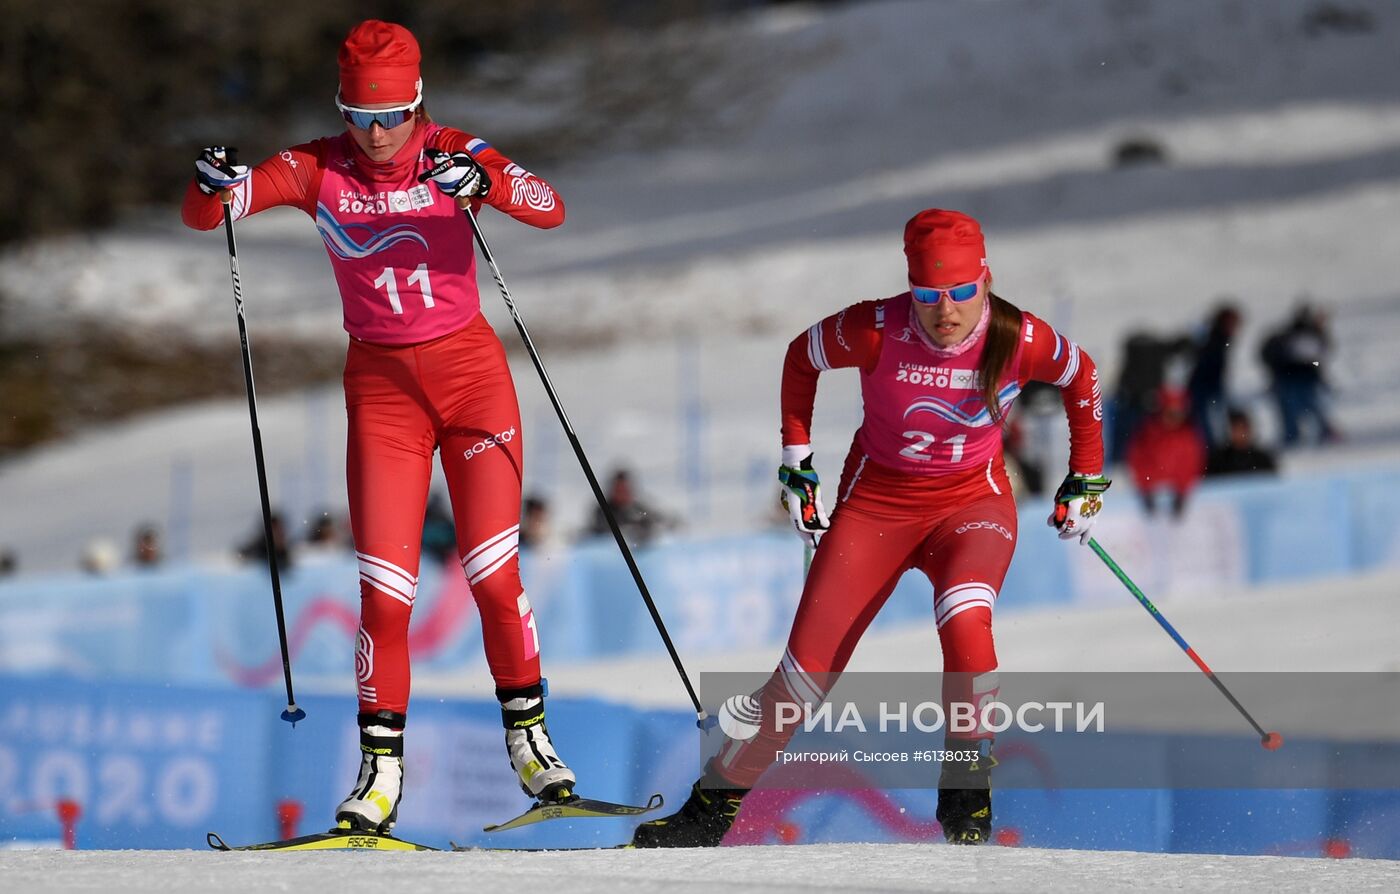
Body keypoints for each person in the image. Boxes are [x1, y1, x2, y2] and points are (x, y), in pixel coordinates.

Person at [182, 20, 575, 835]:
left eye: (394, 114)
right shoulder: (316, 167)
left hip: (473, 388)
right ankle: (380, 773)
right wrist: (209, 183)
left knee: (494, 577)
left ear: (419, 102)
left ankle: (531, 740)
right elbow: (209, 212)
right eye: (361, 116)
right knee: (384, 600)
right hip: (383, 397)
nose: (378, 133)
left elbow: (550, 208)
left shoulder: (454, 150)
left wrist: (488, 184)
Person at [631, 209, 1108, 848]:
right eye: (929, 295)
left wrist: (1086, 479)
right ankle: (709, 810)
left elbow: (1084, 379)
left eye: (963, 292)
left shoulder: (1019, 336)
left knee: (965, 617)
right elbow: (800, 359)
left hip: (971, 506)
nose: (947, 311)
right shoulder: (875, 328)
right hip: (877, 507)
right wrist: (797, 461)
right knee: (801, 681)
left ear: (985, 282)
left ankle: (967, 786)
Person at [1260, 303, 1337, 446]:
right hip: (1296, 380)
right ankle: (1314, 434)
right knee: (1311, 408)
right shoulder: (1306, 336)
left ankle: (1296, 437)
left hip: (1291, 380)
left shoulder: (1289, 335)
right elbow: (1318, 356)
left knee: (1298, 411)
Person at [1124, 387, 1207, 518]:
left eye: (1178, 413)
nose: (1174, 418)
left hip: (1176, 499)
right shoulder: (1148, 432)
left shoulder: (1189, 437)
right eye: (1170, 412)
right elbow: (1137, 460)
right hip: (1149, 496)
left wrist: (1182, 493)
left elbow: (1192, 465)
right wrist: (1146, 490)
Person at [1186, 303, 1242, 448]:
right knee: (1208, 423)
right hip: (1205, 387)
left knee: (1211, 422)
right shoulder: (1214, 337)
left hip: (1208, 386)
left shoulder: (1217, 337)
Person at [588, 468, 672, 547]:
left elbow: (657, 521)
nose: (622, 493)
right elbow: (604, 531)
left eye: (625, 490)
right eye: (619, 490)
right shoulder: (603, 510)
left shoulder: (638, 508)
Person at [1205, 408, 1279, 477]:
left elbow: (1271, 484)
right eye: (1236, 429)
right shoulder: (1219, 460)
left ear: (1249, 429)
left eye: (1243, 428)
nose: (1240, 433)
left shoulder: (1262, 459)